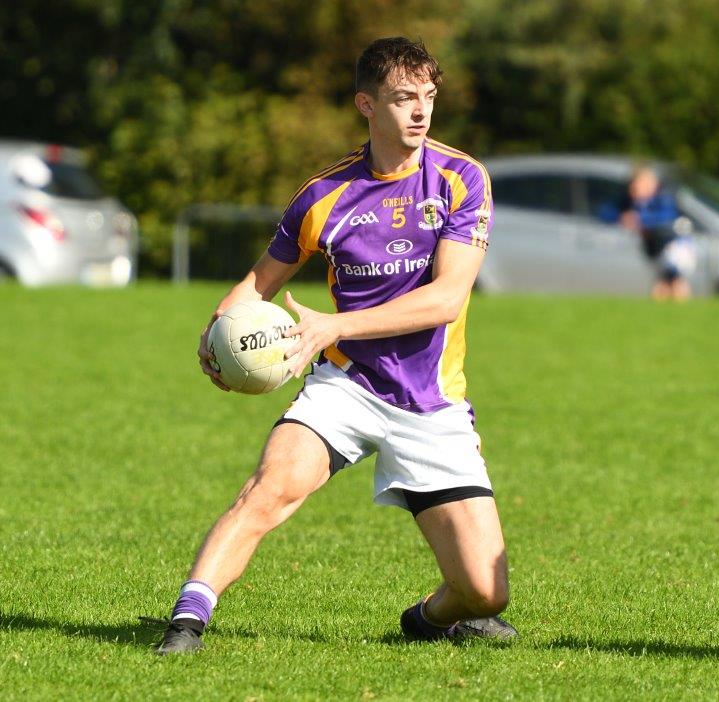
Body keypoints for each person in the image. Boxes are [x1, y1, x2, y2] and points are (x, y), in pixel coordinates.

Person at [155, 37, 515, 654]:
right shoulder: (324, 196)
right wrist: (219, 333)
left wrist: (333, 326)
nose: (420, 112)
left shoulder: (460, 179)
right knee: (268, 490)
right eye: (404, 99)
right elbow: (257, 284)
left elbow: (446, 300)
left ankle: (429, 619)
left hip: (432, 402)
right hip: (346, 385)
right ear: (366, 105)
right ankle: (187, 622)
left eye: (428, 97)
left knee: (485, 592)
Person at [613, 166, 695, 301]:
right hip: (658, 248)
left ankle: (681, 313)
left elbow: (667, 218)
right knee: (663, 283)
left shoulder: (664, 198)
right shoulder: (635, 203)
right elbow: (610, 212)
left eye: (638, 185)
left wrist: (640, 220)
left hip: (675, 247)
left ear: (652, 184)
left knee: (674, 280)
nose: (634, 189)